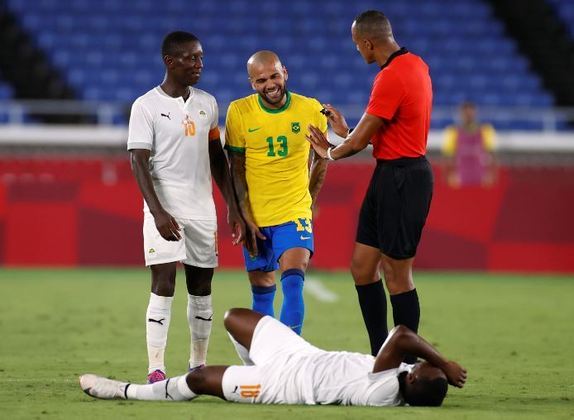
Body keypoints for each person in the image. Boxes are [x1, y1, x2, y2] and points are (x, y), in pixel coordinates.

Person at [306, 10, 433, 361]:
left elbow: (361, 142)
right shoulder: (416, 65)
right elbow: (384, 134)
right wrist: (345, 133)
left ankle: (406, 363)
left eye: (356, 45)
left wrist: (329, 152)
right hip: (389, 174)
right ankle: (380, 355)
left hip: (404, 180)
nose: (357, 52)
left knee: (397, 273)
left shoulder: (391, 77)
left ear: (366, 42)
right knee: (362, 267)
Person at [127, 31, 244, 383]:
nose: (199, 65)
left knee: (202, 287)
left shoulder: (207, 103)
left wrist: (233, 207)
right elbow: (138, 160)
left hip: (201, 209)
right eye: (191, 58)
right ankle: (156, 368)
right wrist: (158, 211)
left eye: (201, 58)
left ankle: (197, 363)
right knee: (163, 282)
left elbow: (217, 160)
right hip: (165, 207)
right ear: (170, 61)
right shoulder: (145, 106)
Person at [80, 308, 467, 407]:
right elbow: (407, 346)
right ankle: (247, 373)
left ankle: (125, 391)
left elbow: (402, 334)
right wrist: (439, 370)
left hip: (285, 385)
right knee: (235, 318)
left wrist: (446, 364)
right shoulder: (402, 377)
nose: (418, 361)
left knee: (199, 380)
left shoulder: (384, 388)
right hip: (302, 355)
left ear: (413, 380)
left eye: (421, 366)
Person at [224, 50, 329, 334]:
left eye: (274, 76)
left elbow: (322, 159)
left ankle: (290, 361)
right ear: (251, 83)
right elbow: (235, 167)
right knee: (262, 289)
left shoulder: (311, 109)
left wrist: (307, 202)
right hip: (256, 215)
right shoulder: (239, 112)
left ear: (285, 72)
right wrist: (244, 215)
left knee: (293, 282)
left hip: (293, 213)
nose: (269, 84)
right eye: (261, 80)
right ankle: (265, 363)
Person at [442, 101, 497, 187]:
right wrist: (449, 176)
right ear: (461, 114)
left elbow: (493, 156)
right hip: (459, 180)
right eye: (465, 112)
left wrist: (491, 175)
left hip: (482, 180)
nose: (468, 115)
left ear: (475, 113)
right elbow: (447, 158)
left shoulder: (486, 131)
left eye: (470, 112)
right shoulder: (452, 132)